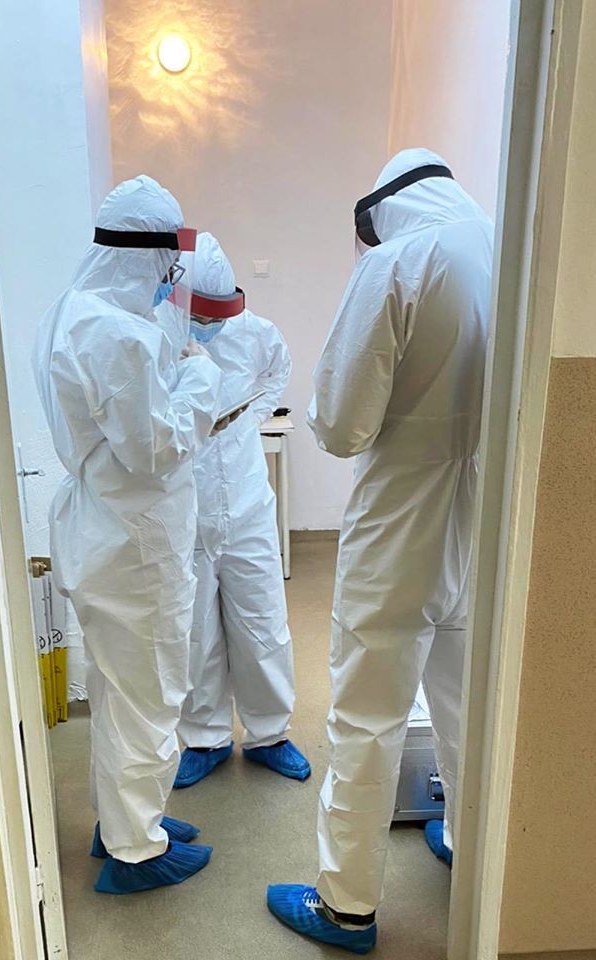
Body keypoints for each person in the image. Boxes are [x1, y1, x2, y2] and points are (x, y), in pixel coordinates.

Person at [267, 148, 493, 953]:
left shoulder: (396, 263)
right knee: (470, 700)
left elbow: (340, 425)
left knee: (367, 712)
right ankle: (470, 843)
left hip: (401, 517)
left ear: (384, 209)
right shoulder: (507, 247)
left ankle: (346, 906)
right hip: (486, 513)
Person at [33, 176, 223, 895]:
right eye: (169, 264)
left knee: (120, 692)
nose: (171, 280)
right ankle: (137, 851)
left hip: (107, 528)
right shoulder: (117, 332)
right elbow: (156, 447)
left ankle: (120, 821)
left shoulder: (69, 310)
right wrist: (202, 376)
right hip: (134, 541)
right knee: (149, 693)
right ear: (148, 257)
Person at [173, 231, 310, 787]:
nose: (209, 324)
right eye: (200, 315)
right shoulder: (160, 335)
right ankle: (203, 738)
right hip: (185, 499)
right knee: (194, 629)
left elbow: (279, 370)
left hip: (247, 494)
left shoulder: (256, 332)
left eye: (218, 314)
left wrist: (249, 418)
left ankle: (269, 734)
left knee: (262, 620)